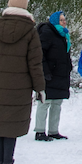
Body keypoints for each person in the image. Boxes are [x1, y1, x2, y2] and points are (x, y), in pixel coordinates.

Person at [0, 0, 46, 164]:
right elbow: (35, 63)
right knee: (11, 126)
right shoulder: (30, 32)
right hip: (20, 86)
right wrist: (39, 87)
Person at [35, 10, 71, 141]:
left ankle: (53, 130)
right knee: (45, 102)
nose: (64, 22)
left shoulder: (64, 35)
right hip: (49, 73)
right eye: (61, 20)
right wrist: (45, 71)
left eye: (65, 20)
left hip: (60, 74)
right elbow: (40, 53)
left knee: (57, 102)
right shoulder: (47, 33)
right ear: (55, 21)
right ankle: (39, 131)